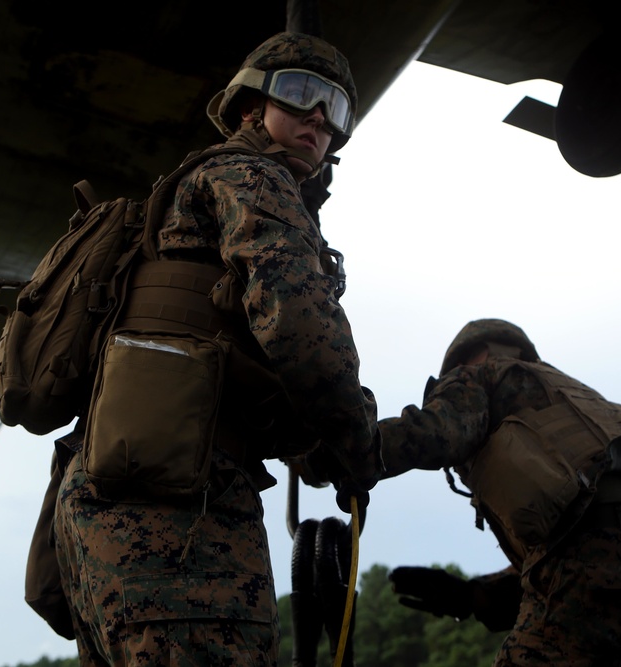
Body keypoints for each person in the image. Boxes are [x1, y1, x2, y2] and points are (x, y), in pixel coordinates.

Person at [51, 32, 383, 667]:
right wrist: (353, 437)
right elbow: (301, 326)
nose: (318, 116)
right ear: (249, 107)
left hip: (119, 495)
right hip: (177, 511)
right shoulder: (249, 175)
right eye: (300, 92)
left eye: (336, 109)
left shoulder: (199, 189)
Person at [381, 318, 621, 666]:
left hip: (601, 577)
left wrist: (347, 447)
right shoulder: (590, 402)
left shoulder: (480, 375)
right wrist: (474, 596)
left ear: (478, 354)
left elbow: (437, 434)